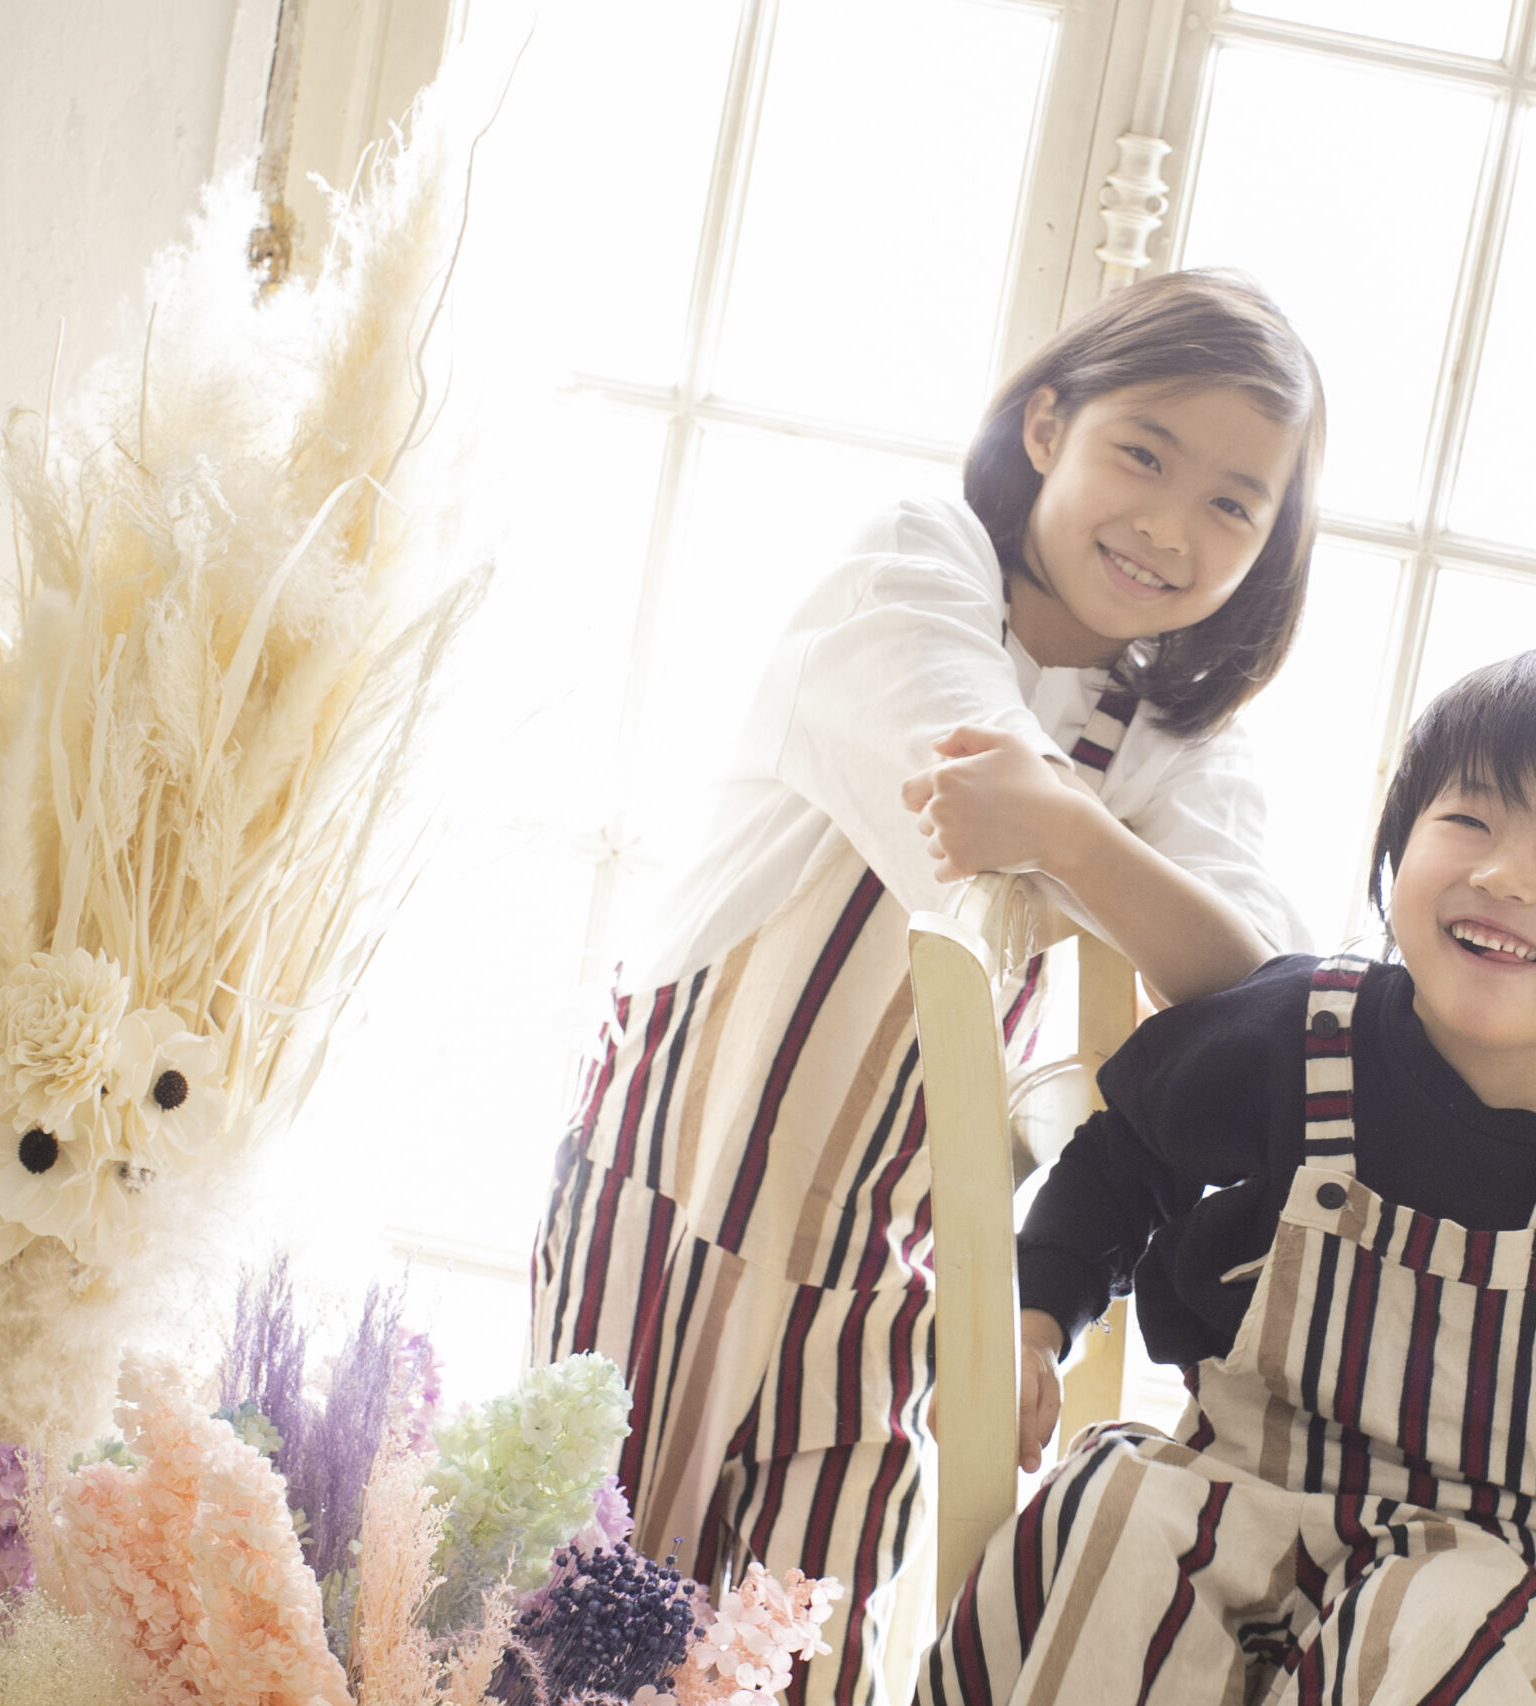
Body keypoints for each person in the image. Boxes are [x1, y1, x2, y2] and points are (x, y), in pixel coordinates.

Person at [531, 270, 1327, 1705]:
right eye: (1143, 453)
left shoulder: (1181, 743)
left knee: (797, 1652)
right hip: (668, 1181)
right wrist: (1106, 859)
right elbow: (964, 809)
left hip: (888, 1264)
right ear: (1047, 426)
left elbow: (1259, 1011)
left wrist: (1068, 828)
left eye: (1232, 502)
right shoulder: (911, 562)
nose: (1168, 526)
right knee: (563, 1614)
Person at [924, 647, 1536, 1706]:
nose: (1503, 874)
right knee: (1106, 1513)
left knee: (1437, 1613)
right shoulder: (1302, 1031)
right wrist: (1035, 1321)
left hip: (1480, 1586)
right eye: (1468, 818)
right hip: (1229, 1495)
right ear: (1399, 842)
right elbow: (1127, 1156)